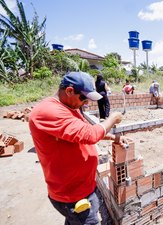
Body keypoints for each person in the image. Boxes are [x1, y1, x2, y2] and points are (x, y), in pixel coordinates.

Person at [29, 71, 127, 225]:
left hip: (82, 188)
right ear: (69, 91)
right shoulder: (49, 112)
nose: (86, 103)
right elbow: (90, 135)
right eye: (83, 98)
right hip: (72, 196)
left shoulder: (67, 107)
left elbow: (83, 130)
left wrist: (114, 137)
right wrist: (112, 119)